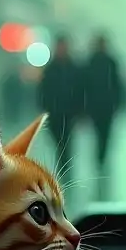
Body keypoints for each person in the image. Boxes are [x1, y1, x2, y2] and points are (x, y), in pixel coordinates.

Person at [82, 33, 124, 193]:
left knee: (105, 134)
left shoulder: (110, 62)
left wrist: (118, 102)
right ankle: (100, 158)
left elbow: (117, 84)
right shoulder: (92, 62)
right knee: (100, 133)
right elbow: (84, 86)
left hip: (106, 106)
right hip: (98, 107)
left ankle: (101, 157)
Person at [36, 35, 83, 168]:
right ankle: (63, 159)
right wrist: (44, 107)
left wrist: (80, 109)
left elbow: (80, 89)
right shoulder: (50, 69)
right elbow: (43, 90)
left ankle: (65, 162)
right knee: (58, 138)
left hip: (69, 112)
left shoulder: (73, 68)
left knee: (67, 139)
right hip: (54, 111)